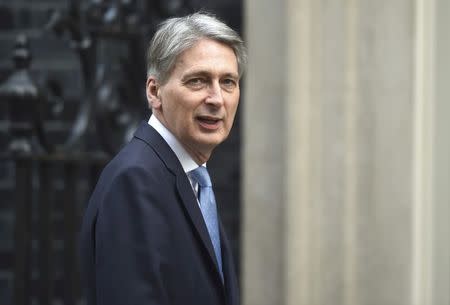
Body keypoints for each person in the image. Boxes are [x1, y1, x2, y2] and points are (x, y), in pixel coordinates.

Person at [79, 12, 247, 305]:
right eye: (198, 81)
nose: (217, 98)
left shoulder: (191, 176)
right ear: (154, 92)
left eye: (228, 82)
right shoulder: (135, 181)